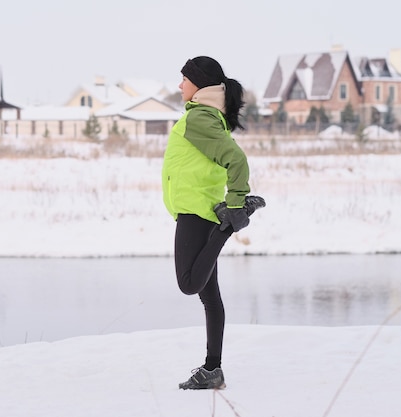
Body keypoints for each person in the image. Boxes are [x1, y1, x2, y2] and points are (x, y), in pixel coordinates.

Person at [161, 56, 266, 390]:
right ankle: (212, 370)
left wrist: (235, 206)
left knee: (189, 284)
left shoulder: (199, 118)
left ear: (199, 84)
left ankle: (229, 226)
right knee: (210, 298)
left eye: (184, 79)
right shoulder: (208, 117)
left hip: (197, 212)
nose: (179, 86)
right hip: (203, 208)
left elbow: (236, 159)